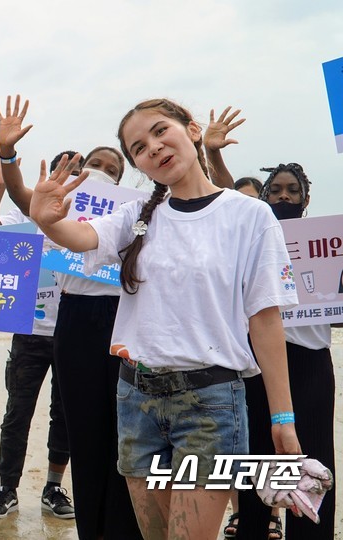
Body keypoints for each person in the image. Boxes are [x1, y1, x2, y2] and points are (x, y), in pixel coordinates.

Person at [27, 98, 301, 539]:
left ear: (191, 129)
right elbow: (81, 237)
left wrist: (282, 419)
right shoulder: (136, 215)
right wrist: (45, 219)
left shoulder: (249, 215)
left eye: (159, 132)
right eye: (138, 147)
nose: (152, 148)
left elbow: (265, 320)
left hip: (210, 405)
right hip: (135, 401)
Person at [0, 95, 138, 537]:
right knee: (76, 423)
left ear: (123, 175)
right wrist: (7, 154)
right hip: (73, 319)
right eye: (92, 161)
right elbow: (22, 197)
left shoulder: (134, 208)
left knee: (122, 426)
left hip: (122, 316)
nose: (100, 169)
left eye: (111, 166)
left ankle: (117, 515)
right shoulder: (62, 203)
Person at [232, 163, 336, 540]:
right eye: (276, 190)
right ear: (265, 196)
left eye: (292, 190)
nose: (284, 197)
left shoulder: (329, 243)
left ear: (305, 198)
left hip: (311, 362)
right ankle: (252, 530)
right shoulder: (251, 239)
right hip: (260, 362)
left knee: (316, 460)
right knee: (258, 457)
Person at [0, 150, 74, 520]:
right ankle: (7, 489)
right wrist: (0, 185)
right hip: (29, 332)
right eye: (62, 169)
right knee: (17, 413)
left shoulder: (93, 222)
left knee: (63, 414)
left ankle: (54, 487)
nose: (68, 177)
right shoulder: (25, 215)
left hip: (72, 332)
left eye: (77, 172)